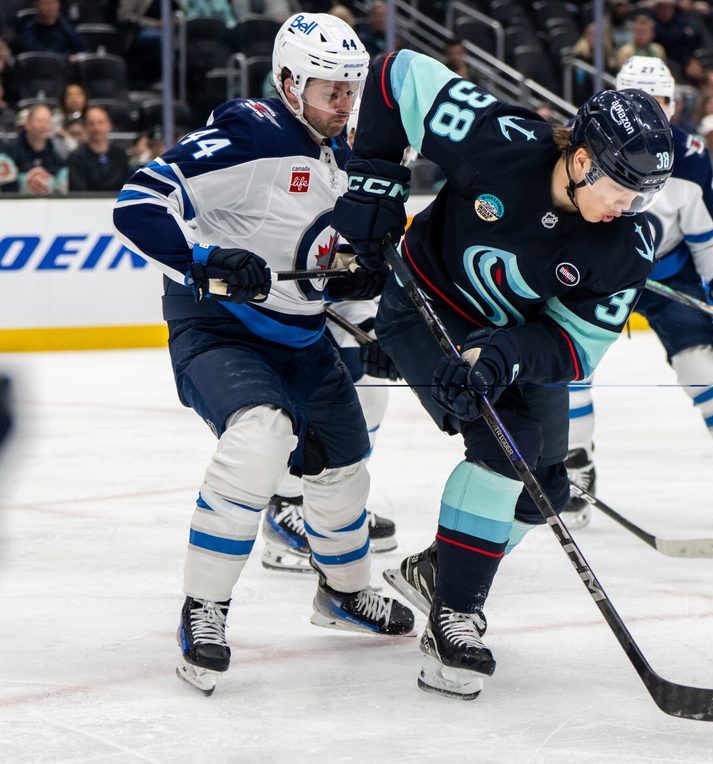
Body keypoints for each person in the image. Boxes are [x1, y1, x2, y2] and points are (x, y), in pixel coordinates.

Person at [331, 49, 674, 700]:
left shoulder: (626, 242)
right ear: (581, 160)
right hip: (423, 305)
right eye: (622, 187)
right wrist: (375, 192)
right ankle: (454, 620)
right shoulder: (498, 140)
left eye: (643, 194)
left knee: (547, 488)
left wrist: (503, 354)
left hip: (514, 339)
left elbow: (574, 347)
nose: (629, 206)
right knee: (504, 444)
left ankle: (441, 572)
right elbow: (394, 74)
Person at [111, 12, 414, 696]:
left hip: (303, 337)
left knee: (345, 468)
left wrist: (358, 284)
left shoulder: (346, 151)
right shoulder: (252, 132)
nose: (345, 103)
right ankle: (204, 609)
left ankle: (343, 594)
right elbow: (137, 203)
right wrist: (203, 260)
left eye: (352, 89)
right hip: (221, 330)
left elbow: (326, 252)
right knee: (260, 436)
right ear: (289, 82)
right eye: (331, 90)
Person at [562, 57, 713, 529]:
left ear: (675, 105)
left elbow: (708, 235)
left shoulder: (691, 157)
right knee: (566, 365)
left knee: (703, 369)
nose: (652, 112)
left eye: (660, 101)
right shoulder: (585, 140)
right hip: (596, 273)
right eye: (641, 100)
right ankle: (574, 464)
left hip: (667, 276)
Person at [259, 299, 402, 572]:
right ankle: (286, 505)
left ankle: (335, 507)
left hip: (335, 297)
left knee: (370, 392)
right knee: (308, 393)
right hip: (284, 306)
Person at [7, 104, 68, 195]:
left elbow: (62, 187)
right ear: (28, 124)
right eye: (39, 121)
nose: (43, 126)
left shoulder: (55, 151)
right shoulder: (10, 150)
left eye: (47, 122)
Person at [67, 105, 131, 191]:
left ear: (109, 125)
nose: (96, 128)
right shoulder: (76, 157)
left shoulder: (120, 155)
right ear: (85, 127)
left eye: (101, 123)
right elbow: (78, 190)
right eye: (91, 123)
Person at [18, 0, 90, 56]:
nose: (50, 7)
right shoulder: (29, 30)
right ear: (36, 6)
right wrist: (66, 58)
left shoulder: (66, 26)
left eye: (53, 3)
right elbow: (36, 53)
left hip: (67, 68)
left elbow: (83, 48)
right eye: (46, 3)